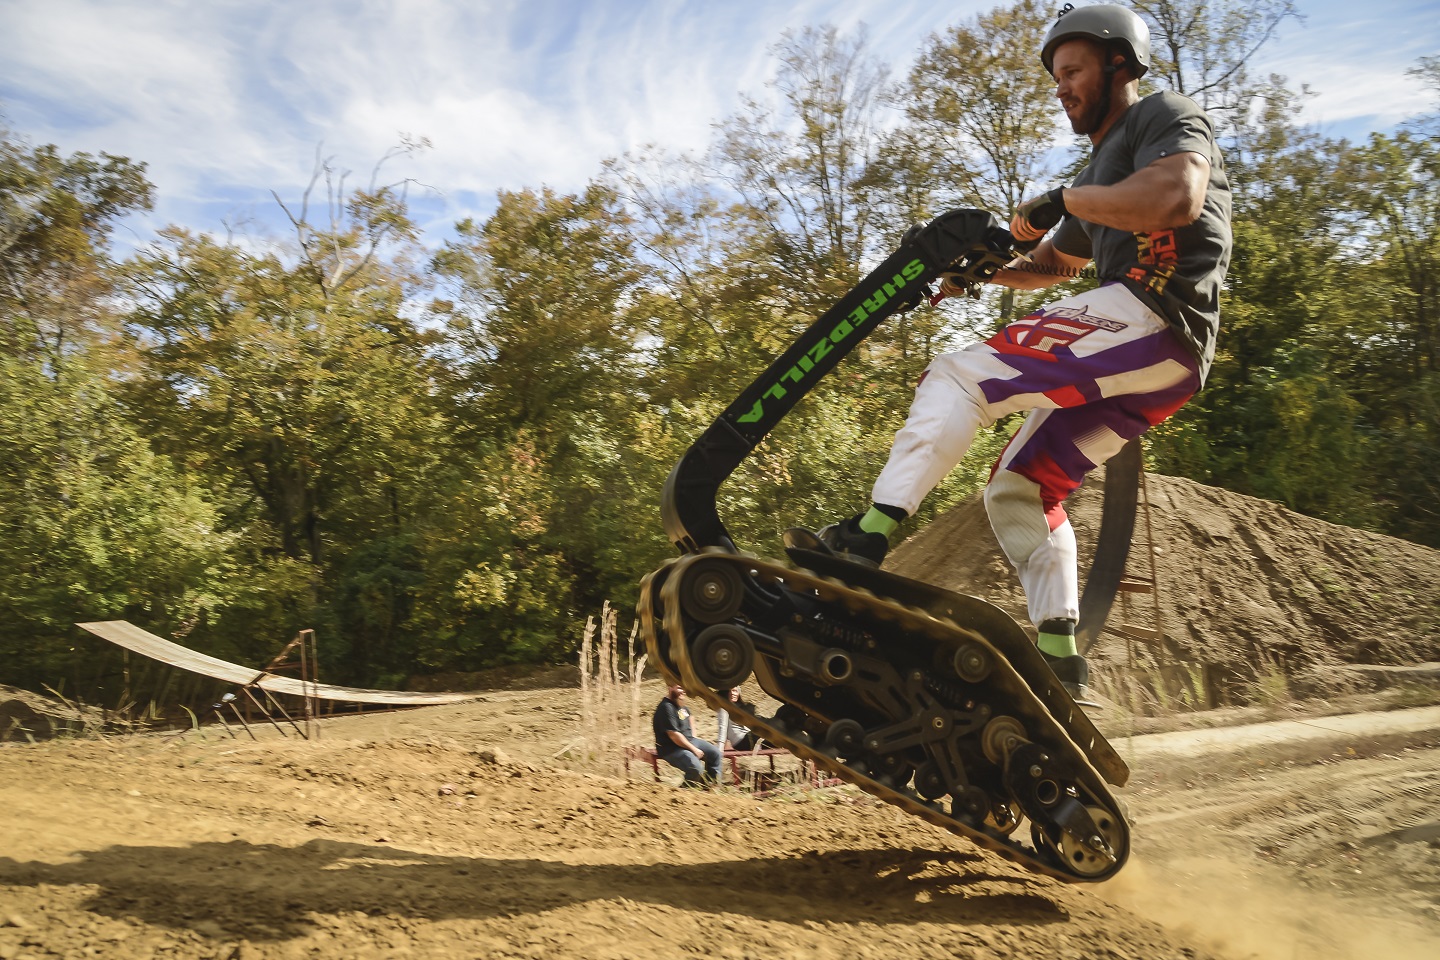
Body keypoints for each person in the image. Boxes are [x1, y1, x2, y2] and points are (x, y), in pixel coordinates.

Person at [812, 3, 1232, 699]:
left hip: (1155, 311)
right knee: (1023, 486)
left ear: (1118, 63)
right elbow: (1052, 265)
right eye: (1056, 75)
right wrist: (975, 272)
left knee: (960, 376)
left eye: (1073, 69)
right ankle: (1060, 659)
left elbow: (1178, 196)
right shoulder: (1101, 175)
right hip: (1162, 362)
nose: (1061, 85)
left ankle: (868, 535)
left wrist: (1063, 196)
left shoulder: (1161, 116)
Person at [652, 684, 722, 787]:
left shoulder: (681, 706)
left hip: (689, 741)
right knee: (695, 767)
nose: (683, 691)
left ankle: (710, 786)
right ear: (670, 687)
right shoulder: (666, 707)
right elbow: (674, 735)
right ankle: (684, 793)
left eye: (684, 688)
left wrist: (694, 740)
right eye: (680, 688)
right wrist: (694, 749)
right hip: (672, 748)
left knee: (715, 754)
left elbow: (691, 721)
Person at [716, 686, 765, 751]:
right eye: (729, 691)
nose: (732, 693)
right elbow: (722, 728)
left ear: (739, 693)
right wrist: (720, 749)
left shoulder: (739, 709)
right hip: (741, 742)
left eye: (735, 691)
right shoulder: (724, 709)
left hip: (748, 738)